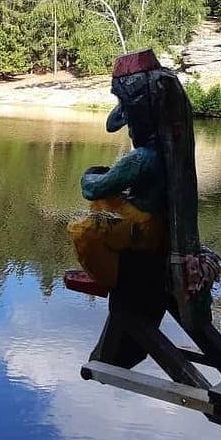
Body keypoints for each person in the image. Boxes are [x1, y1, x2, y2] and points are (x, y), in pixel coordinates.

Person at [67, 50, 168, 291]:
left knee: (83, 230)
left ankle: (106, 277)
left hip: (144, 227)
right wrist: (126, 103)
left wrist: (89, 174)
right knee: (102, 204)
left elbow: (92, 189)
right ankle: (109, 265)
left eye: (130, 121)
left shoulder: (142, 157)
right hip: (154, 221)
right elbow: (112, 124)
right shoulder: (165, 146)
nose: (128, 128)